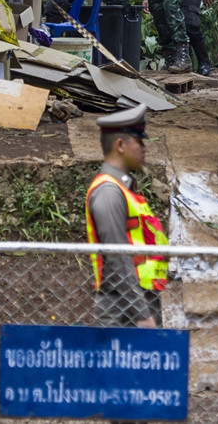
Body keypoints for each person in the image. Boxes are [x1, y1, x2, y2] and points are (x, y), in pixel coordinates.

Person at [84, 103, 168, 329]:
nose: (144, 148)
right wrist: (142, 314)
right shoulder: (108, 192)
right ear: (120, 145)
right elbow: (118, 257)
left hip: (136, 303)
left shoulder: (124, 189)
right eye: (139, 141)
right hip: (124, 312)